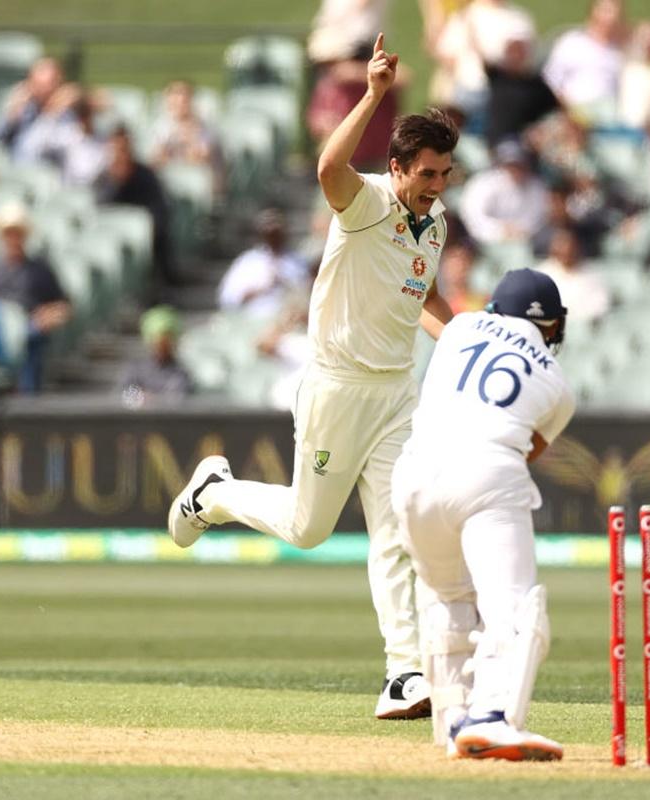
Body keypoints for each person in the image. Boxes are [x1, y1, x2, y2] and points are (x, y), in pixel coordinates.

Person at [166, 33, 457, 721]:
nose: (437, 187)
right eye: (428, 175)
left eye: (446, 174)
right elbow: (330, 166)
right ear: (398, 168)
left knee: (397, 533)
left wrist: (471, 339)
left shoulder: (434, 221)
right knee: (307, 527)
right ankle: (215, 493)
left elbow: (427, 301)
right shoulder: (369, 203)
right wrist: (375, 93)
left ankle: (402, 675)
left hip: (395, 393)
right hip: (335, 385)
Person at [391, 267, 574, 762]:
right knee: (514, 606)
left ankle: (453, 721)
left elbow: (428, 304)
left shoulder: (460, 328)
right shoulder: (557, 382)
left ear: (497, 308)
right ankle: (492, 717)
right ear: (552, 325)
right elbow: (526, 450)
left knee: (447, 597)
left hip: (411, 476)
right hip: (488, 471)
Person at [0, 202, 71, 393]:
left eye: (17, 233)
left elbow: (64, 307)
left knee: (31, 337)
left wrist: (48, 317)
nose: (13, 238)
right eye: (8, 233)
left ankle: (27, 399)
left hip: (29, 330)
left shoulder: (40, 269)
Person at [97, 126, 177, 288]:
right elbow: (100, 208)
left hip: (144, 234)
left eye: (123, 149)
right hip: (112, 235)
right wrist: (117, 183)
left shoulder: (145, 175)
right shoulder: (104, 177)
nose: (120, 154)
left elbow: (159, 207)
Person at [217, 209, 311, 317]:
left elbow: (307, 294)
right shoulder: (248, 262)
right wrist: (261, 289)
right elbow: (228, 298)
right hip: (254, 322)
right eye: (268, 230)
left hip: (289, 321)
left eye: (277, 232)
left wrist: (286, 284)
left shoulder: (297, 261)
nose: (273, 235)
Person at [542, 0, 627, 118]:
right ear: (593, 13)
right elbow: (551, 82)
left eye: (617, 13)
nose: (612, 18)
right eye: (607, 12)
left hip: (608, 117)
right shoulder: (571, 43)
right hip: (573, 115)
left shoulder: (619, 52)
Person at [460, 139, 548, 247]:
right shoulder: (483, 183)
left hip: (524, 242)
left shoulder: (536, 186)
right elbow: (473, 217)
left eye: (519, 165)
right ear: (501, 165)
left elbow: (538, 218)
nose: (515, 169)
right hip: (485, 242)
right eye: (511, 165)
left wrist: (518, 229)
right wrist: (500, 229)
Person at [118, 305, 193, 404]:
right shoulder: (135, 369)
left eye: (166, 342)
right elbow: (125, 394)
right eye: (157, 342)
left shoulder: (180, 373)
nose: (161, 347)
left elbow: (176, 398)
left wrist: (149, 399)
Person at [536, 227, 610, 322]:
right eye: (562, 248)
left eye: (570, 248)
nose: (567, 252)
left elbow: (601, 305)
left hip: (584, 327)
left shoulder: (591, 274)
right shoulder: (542, 274)